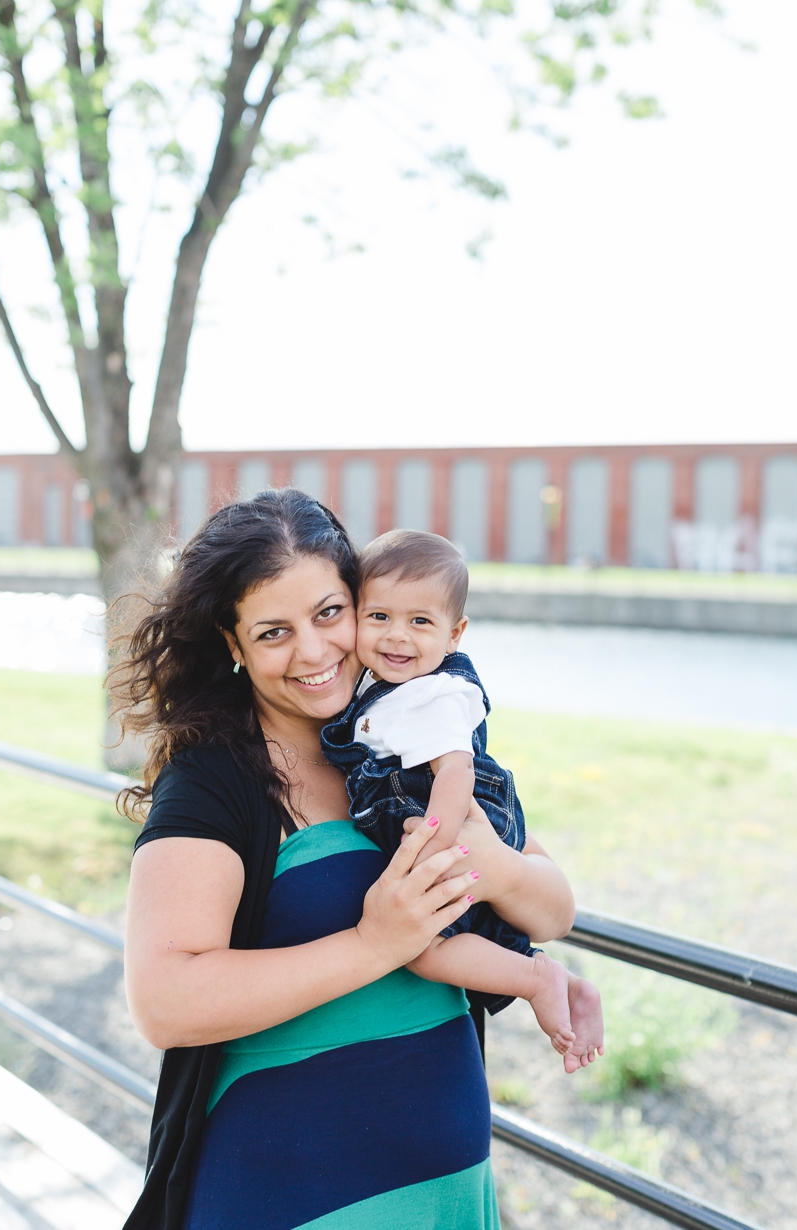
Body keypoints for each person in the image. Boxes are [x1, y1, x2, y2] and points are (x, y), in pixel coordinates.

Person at [117, 488, 577, 1230]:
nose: (314, 651)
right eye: (273, 632)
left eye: (330, 614)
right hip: (292, 1201)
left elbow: (554, 910)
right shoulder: (213, 782)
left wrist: (499, 867)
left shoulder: (407, 735)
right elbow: (164, 999)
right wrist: (375, 945)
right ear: (232, 645)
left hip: (448, 1197)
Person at [322, 529, 604, 1072]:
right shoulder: (384, 682)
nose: (396, 637)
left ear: (455, 634)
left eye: (419, 622)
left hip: (444, 817)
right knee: (478, 929)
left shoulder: (433, 695)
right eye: (378, 617)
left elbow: (455, 771)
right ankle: (564, 985)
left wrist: (436, 845)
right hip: (432, 815)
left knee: (426, 951)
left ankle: (536, 978)